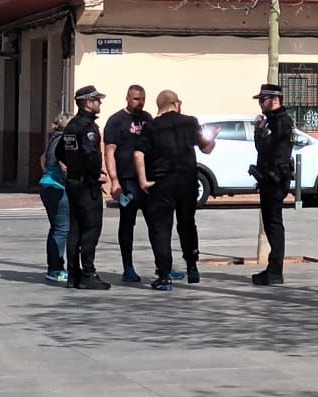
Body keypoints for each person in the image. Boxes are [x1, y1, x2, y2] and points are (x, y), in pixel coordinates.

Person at [139, 90, 216, 291]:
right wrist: (213, 136)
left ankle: (164, 276)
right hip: (187, 181)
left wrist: (143, 181)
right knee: (187, 224)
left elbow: (138, 154)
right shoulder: (190, 122)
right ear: (176, 103)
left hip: (161, 184)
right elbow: (206, 148)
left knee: (161, 229)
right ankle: (192, 266)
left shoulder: (151, 126)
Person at [61, 85, 113, 290]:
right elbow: (91, 154)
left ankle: (73, 274)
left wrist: (72, 167)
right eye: (97, 100)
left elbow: (60, 152)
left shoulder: (71, 126)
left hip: (73, 182)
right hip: (86, 185)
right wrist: (96, 174)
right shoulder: (87, 127)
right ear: (88, 103)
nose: (99, 103)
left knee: (75, 228)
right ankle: (88, 273)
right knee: (91, 229)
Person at [102, 85, 153, 283]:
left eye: (142, 99)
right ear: (127, 98)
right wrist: (114, 182)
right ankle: (128, 267)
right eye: (135, 99)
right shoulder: (116, 121)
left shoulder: (148, 119)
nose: (139, 102)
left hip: (147, 181)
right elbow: (109, 152)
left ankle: (162, 266)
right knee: (127, 223)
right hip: (127, 181)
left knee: (156, 223)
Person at [250, 82, 295, 286]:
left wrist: (258, 132)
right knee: (271, 223)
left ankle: (275, 271)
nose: (260, 104)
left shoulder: (280, 122)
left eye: (263, 100)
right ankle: (273, 268)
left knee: (274, 224)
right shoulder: (274, 120)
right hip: (269, 178)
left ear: (274, 100)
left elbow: (266, 149)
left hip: (275, 179)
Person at [38, 111, 74, 283]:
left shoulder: (53, 139)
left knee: (56, 227)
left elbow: (42, 159)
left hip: (46, 184)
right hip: (58, 186)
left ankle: (54, 267)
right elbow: (65, 165)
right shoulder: (65, 139)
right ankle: (56, 268)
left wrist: (47, 172)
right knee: (62, 228)